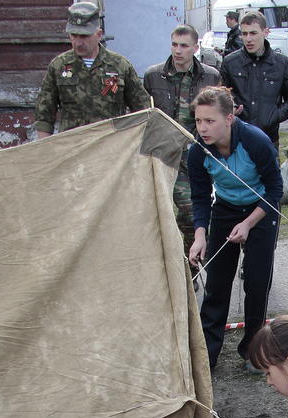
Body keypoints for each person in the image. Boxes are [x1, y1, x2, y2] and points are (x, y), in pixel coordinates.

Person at [187, 87, 282, 372]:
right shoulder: (198, 151)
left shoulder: (256, 141)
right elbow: (200, 197)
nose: (203, 128)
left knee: (256, 282)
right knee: (216, 283)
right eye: (198, 120)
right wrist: (200, 236)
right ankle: (208, 355)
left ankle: (253, 350)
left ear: (229, 118)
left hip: (261, 209)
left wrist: (249, 223)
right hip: (226, 209)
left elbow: (275, 190)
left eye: (210, 121)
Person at [143, 25, 220, 290]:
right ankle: (165, 271)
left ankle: (191, 268)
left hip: (195, 155)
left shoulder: (210, 76)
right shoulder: (154, 76)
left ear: (195, 48)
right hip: (162, 155)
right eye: (174, 44)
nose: (178, 50)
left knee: (190, 212)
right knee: (158, 216)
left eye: (184, 46)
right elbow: (143, 114)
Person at [34, 2, 150, 138]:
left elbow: (143, 110)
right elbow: (44, 115)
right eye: (74, 35)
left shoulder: (119, 66)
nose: (78, 43)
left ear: (99, 34)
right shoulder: (59, 66)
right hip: (72, 146)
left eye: (84, 36)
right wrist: (45, 148)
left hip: (111, 145)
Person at [220, 11, 288, 149]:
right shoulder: (230, 62)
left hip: (269, 138)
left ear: (265, 32)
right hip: (237, 138)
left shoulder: (280, 63)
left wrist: (274, 116)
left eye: (253, 33)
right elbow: (220, 95)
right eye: (244, 34)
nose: (248, 39)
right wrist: (231, 107)